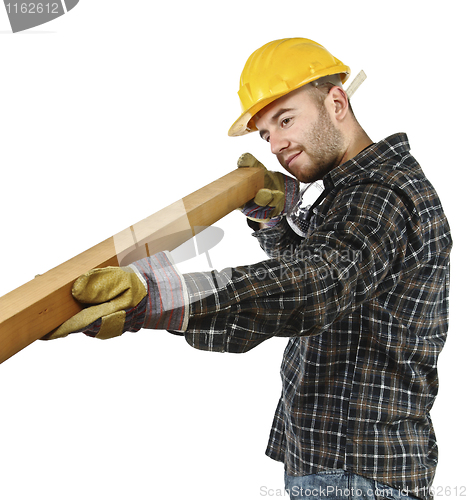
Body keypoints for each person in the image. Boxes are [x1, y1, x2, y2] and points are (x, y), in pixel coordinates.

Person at [44, 38, 452, 500]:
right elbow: (330, 280)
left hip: (354, 474)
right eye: (265, 134)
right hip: (339, 466)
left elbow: (317, 287)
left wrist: (158, 296)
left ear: (337, 102)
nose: (276, 144)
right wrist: (274, 221)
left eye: (285, 119)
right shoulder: (354, 192)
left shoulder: (381, 195)